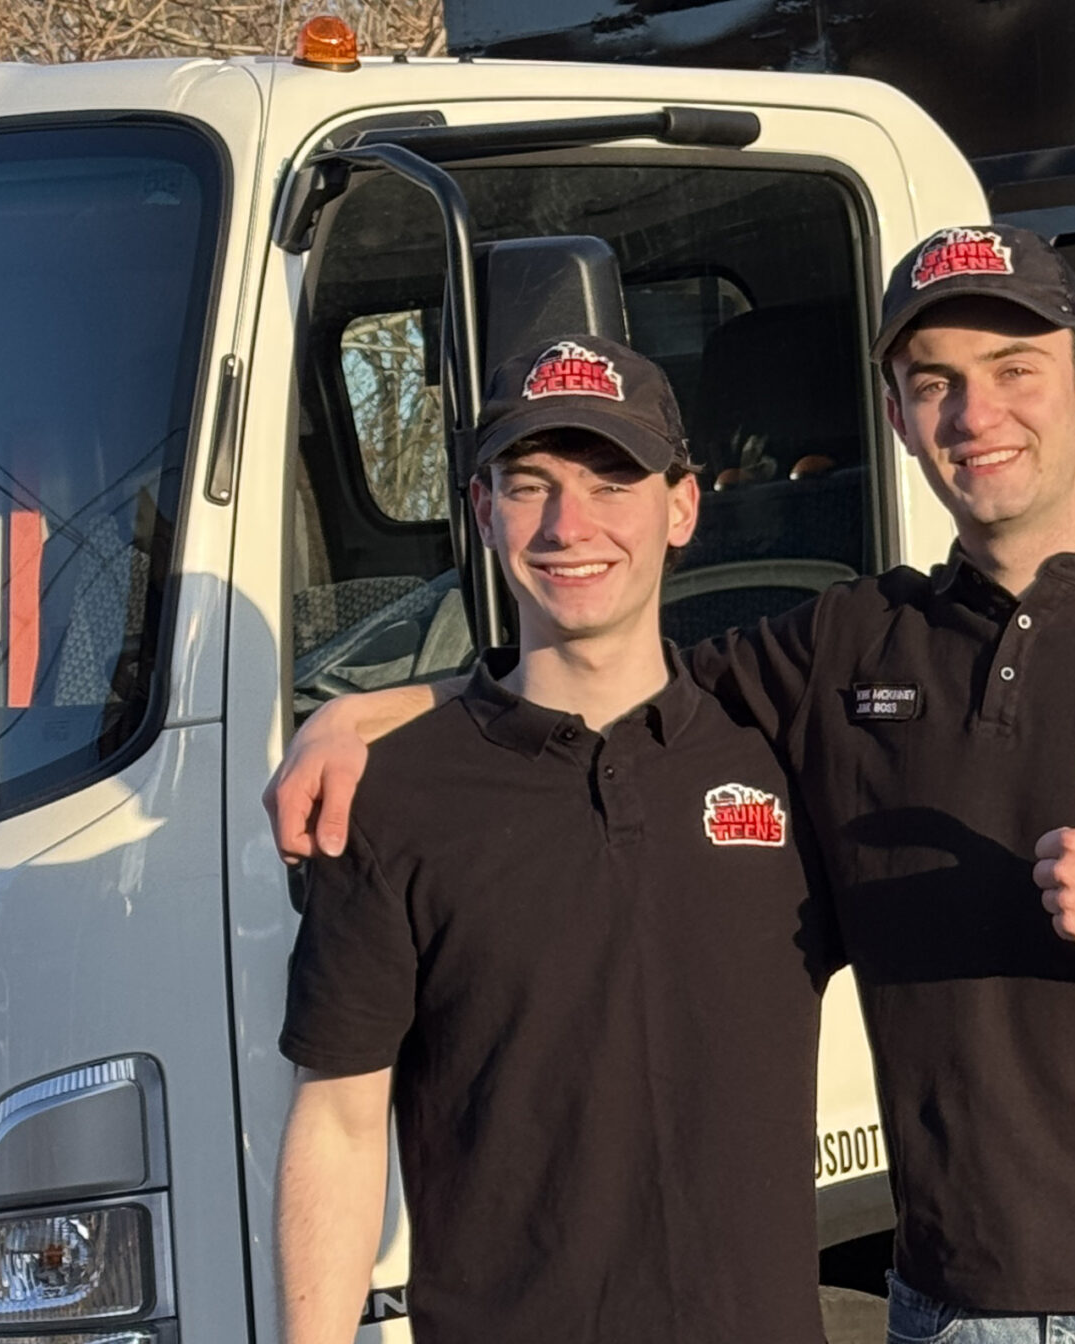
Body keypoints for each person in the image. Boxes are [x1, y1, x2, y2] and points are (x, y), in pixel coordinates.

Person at [272, 225, 1075, 1344]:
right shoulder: (848, 649)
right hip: (943, 1314)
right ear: (897, 415)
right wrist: (361, 713)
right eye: (934, 383)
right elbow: (594, 674)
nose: (975, 415)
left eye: (1015, 372)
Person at [272, 335, 839, 1344]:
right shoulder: (399, 796)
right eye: (529, 486)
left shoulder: (785, 757)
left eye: (610, 482)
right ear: (484, 512)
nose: (568, 525)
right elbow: (340, 1121)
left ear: (682, 507)